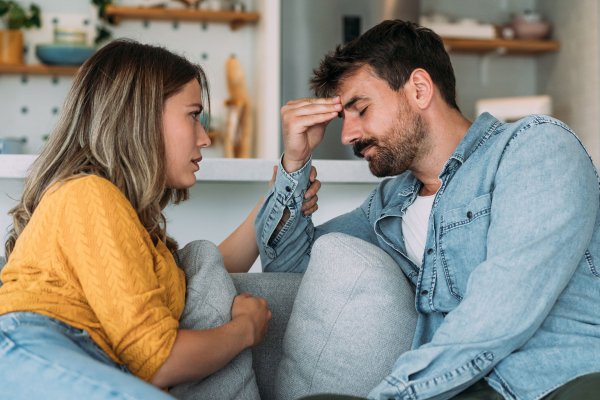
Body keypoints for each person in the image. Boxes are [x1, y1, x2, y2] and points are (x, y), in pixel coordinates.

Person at [255, 19, 600, 400]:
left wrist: (394, 395)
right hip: (458, 388)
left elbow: (500, 311)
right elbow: (290, 266)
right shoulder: (389, 205)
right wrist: (295, 162)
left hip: (557, 382)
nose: (347, 135)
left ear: (419, 89)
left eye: (361, 109)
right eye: (344, 118)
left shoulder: (534, 148)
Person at [0, 39, 321, 399]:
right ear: (141, 116)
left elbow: (211, 268)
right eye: (194, 115)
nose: (205, 137)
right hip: (34, 345)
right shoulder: (87, 194)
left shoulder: (134, 229)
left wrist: (282, 191)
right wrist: (245, 329)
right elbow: (158, 361)